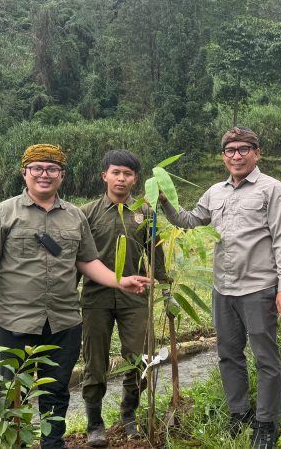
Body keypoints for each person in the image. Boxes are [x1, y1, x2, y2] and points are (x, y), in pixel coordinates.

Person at [0, 143, 150, 449]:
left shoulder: (74, 217)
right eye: (37, 168)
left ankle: (53, 443)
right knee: (14, 391)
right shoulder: (2, 213)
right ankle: (17, 443)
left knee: (56, 391)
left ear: (61, 175)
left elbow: (87, 262)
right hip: (15, 322)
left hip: (63, 322)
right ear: (24, 173)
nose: (44, 174)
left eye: (52, 169)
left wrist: (120, 281)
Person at [159, 126, 281, 449]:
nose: (237, 155)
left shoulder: (272, 190)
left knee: (265, 358)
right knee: (228, 355)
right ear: (223, 156)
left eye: (243, 149)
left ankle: (266, 422)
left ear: (257, 153)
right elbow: (190, 220)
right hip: (223, 289)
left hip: (259, 288)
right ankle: (240, 412)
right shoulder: (215, 192)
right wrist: (164, 201)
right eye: (230, 150)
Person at [79, 149, 172, 445]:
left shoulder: (145, 212)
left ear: (136, 179)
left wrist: (166, 286)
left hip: (136, 297)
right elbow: (77, 258)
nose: (121, 178)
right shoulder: (86, 214)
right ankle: (94, 423)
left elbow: (155, 253)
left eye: (128, 174)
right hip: (96, 298)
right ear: (104, 175)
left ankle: (128, 414)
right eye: (115, 172)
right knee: (95, 362)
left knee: (141, 358)